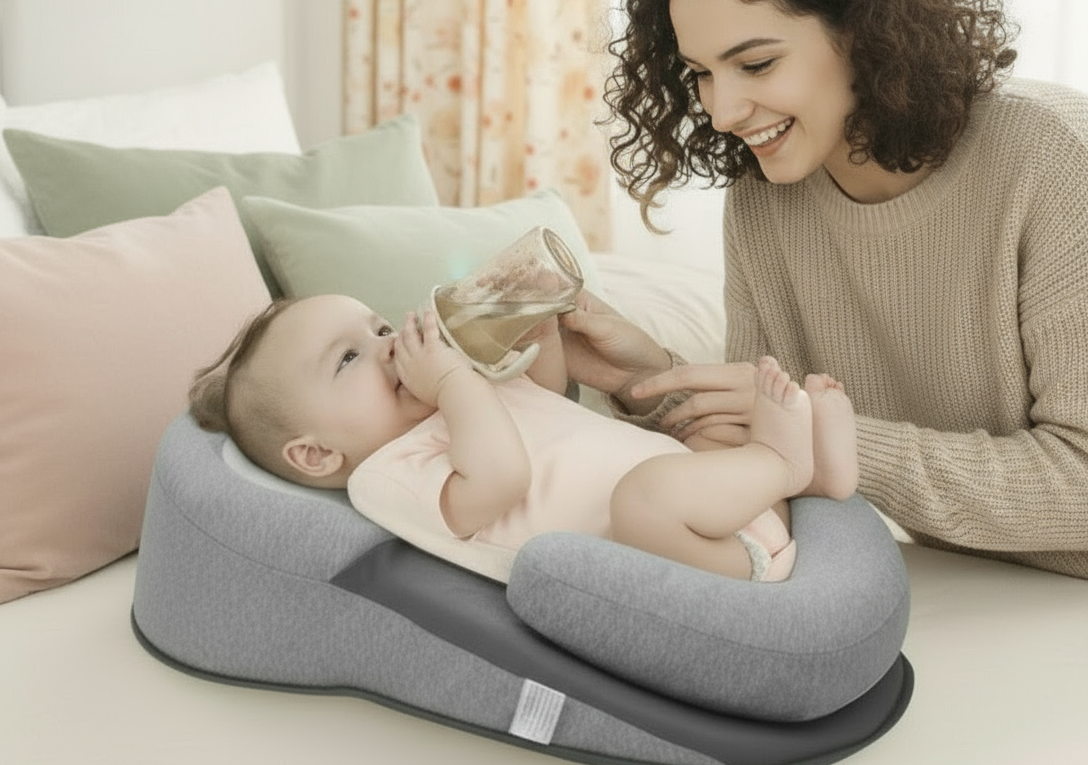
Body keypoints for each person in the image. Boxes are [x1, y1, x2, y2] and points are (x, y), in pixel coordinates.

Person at [561, 0, 1088, 578]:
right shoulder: (763, 202)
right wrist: (652, 381)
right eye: (701, 75)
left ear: (866, 30)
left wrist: (823, 439)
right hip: (971, 587)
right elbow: (765, 458)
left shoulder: (1054, 158)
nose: (721, 112)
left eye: (755, 63)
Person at [188, 293, 859, 584]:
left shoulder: (452, 402)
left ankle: (817, 478)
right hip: (701, 556)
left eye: (380, 329)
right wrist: (453, 378)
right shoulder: (388, 476)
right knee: (646, 497)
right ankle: (780, 462)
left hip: (714, 501)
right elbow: (502, 478)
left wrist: (538, 333)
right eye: (348, 359)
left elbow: (543, 400)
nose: (388, 347)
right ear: (316, 453)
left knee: (700, 432)